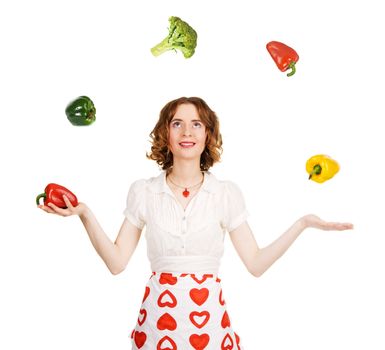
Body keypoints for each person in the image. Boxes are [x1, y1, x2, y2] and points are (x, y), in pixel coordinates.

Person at [38, 96, 353, 349]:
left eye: (196, 124)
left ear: (207, 135)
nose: (187, 132)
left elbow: (255, 264)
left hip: (211, 328)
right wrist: (85, 214)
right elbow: (117, 262)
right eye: (177, 124)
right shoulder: (144, 191)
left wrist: (303, 224)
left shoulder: (226, 194)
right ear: (166, 134)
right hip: (157, 326)